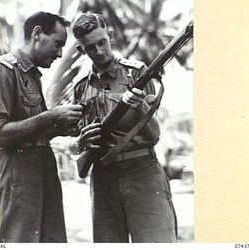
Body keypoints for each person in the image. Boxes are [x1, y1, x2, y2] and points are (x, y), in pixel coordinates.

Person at [69, 12, 177, 243]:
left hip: (142, 170)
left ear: (110, 35)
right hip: (103, 175)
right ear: (81, 51)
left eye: (102, 43)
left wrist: (136, 107)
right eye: (90, 48)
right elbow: (75, 134)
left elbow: (154, 134)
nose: (98, 51)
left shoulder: (136, 73)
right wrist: (80, 143)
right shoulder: (80, 87)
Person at [0, 11, 83, 242]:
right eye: (57, 44)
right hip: (19, 177)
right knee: (19, 240)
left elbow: (31, 130)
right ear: (37, 34)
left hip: (43, 172)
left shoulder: (33, 75)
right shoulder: (5, 70)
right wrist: (50, 117)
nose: (59, 53)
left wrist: (61, 125)